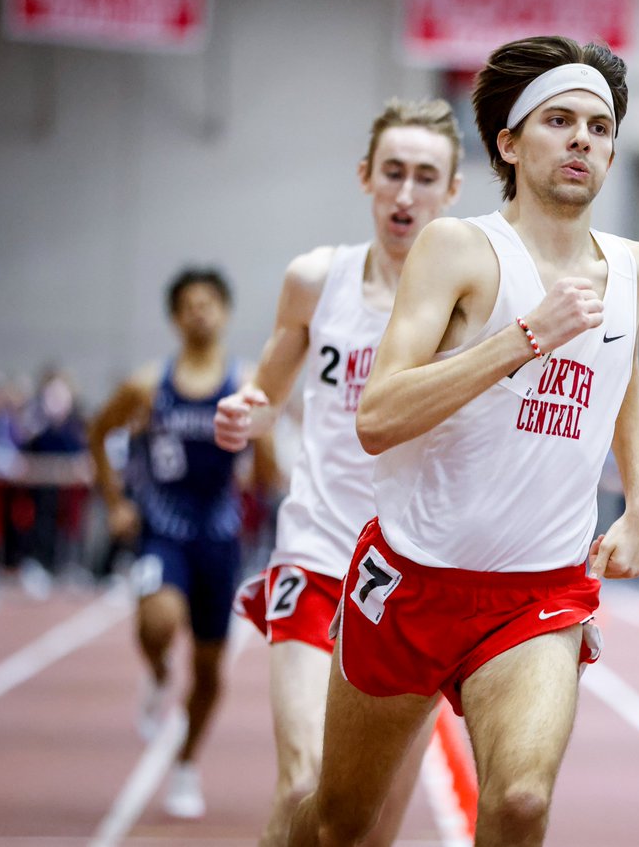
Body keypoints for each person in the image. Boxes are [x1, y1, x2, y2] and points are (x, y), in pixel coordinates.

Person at [287, 34, 639, 847]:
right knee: (337, 824)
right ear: (507, 141)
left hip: (537, 594)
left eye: (599, 128)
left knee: (522, 799)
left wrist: (638, 497)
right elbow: (379, 414)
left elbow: (620, 357)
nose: (582, 141)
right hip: (410, 582)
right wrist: (523, 337)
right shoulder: (458, 249)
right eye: (559, 120)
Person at [213, 97, 464, 847]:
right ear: (366, 177)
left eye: (426, 176)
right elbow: (268, 392)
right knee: (307, 780)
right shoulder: (316, 280)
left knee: (363, 822)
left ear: (452, 192)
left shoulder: (471, 301)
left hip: (413, 572)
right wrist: (246, 411)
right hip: (319, 550)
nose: (407, 193)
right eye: (393, 172)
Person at [89, 267, 254, 819]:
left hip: (220, 538)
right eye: (189, 304)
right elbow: (98, 431)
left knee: (209, 671)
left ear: (225, 312)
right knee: (157, 621)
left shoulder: (244, 383)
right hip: (161, 530)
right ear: (175, 317)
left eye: (210, 302)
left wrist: (267, 448)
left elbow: (268, 466)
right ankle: (159, 674)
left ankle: (185, 763)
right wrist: (116, 501)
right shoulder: (146, 384)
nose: (200, 311)